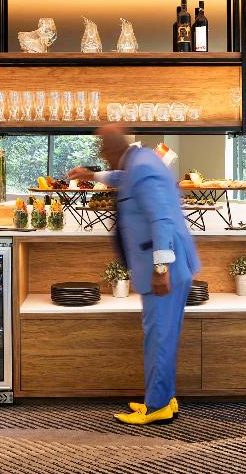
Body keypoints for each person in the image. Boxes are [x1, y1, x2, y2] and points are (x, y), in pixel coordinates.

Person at [68, 125, 200, 425]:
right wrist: (92, 175)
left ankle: (158, 406)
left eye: (103, 149)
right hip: (167, 264)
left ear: (113, 149)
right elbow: (122, 179)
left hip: (164, 267)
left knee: (159, 338)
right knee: (162, 336)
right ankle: (164, 397)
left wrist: (161, 268)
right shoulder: (140, 161)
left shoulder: (141, 166)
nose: (102, 154)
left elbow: (161, 218)